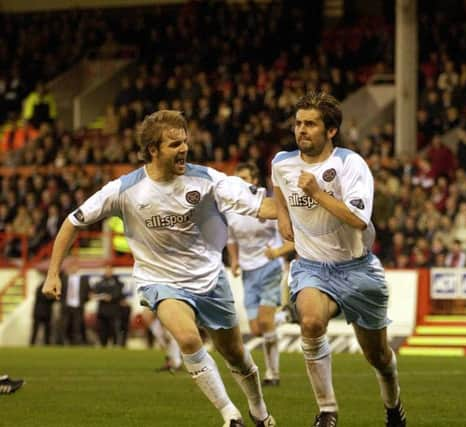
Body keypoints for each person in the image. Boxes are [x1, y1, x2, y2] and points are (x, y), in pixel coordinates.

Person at [43, 110, 277, 427]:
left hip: (209, 278)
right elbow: (73, 221)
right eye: (174, 144)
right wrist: (53, 272)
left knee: (234, 353)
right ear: (153, 149)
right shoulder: (124, 189)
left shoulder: (206, 179)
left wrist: (300, 208)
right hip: (160, 280)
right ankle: (230, 414)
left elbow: (264, 206)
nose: (183, 149)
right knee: (189, 340)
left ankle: (259, 410)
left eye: (184, 142)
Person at [271, 92, 406, 426]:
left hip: (357, 268)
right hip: (311, 267)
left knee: (378, 356)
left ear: (330, 131)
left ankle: (393, 406)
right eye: (298, 123)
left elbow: (359, 219)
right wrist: (282, 218)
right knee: (312, 323)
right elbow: (279, 186)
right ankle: (327, 410)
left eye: (311, 124)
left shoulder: (350, 164)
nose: (301, 130)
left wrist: (317, 193)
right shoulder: (282, 163)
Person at [227, 162, 295, 387]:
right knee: (257, 329)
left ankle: (272, 374)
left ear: (254, 180)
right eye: (238, 179)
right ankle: (286, 316)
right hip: (248, 271)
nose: (241, 183)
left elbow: (291, 237)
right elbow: (231, 239)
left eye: (245, 178)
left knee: (266, 322)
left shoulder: (268, 204)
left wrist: (277, 252)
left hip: (270, 268)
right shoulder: (232, 207)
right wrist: (235, 261)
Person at [92, 265, 125, 347]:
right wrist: (103, 296)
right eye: (106, 270)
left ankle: (115, 344)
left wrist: (110, 297)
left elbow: (118, 294)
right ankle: (103, 344)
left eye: (109, 270)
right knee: (102, 329)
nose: (108, 272)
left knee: (114, 329)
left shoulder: (118, 282)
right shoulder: (99, 283)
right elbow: (94, 294)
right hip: (102, 310)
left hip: (114, 310)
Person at [30, 279, 56, 345]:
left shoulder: (39, 288)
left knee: (36, 330)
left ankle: (32, 344)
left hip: (38, 312)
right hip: (45, 313)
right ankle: (47, 344)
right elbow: (51, 299)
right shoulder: (47, 290)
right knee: (46, 330)